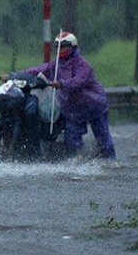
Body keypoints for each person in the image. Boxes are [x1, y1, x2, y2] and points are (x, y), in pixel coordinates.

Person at [7, 31, 116, 159]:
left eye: (63, 46)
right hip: (74, 109)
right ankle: (77, 164)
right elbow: (40, 69)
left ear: (72, 47)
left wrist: (62, 84)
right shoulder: (57, 64)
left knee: (103, 139)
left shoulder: (82, 64)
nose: (60, 49)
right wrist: (16, 75)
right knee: (71, 140)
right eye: (57, 47)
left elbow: (79, 80)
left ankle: (111, 163)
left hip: (94, 106)